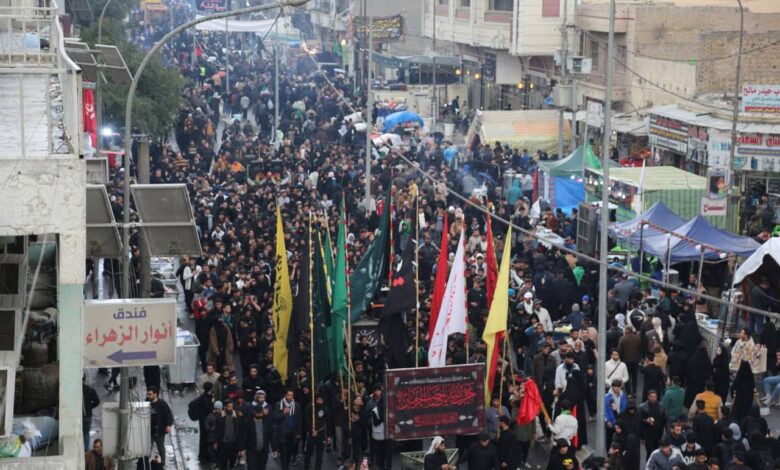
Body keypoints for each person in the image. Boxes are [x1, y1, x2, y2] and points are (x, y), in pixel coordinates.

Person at [273, 389, 302, 470]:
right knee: (283, 452)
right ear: (285, 395)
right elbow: (275, 418)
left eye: (292, 395)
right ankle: (285, 467)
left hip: (292, 432)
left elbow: (299, 420)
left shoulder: (297, 405)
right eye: (289, 395)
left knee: (289, 452)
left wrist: (299, 432)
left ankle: (286, 465)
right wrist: (283, 413)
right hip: (282, 432)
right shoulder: (278, 404)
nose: (290, 397)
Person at [146, 386, 173, 464]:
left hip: (159, 431)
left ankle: (162, 463)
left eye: (150, 394)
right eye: (147, 394)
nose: (148, 396)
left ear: (155, 394)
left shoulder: (162, 404)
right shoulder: (146, 403)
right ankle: (146, 464)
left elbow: (169, 415)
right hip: (149, 431)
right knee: (147, 449)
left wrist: (169, 425)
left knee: (160, 448)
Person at [241, 402, 272, 470]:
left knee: (261, 467)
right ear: (254, 412)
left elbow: (271, 434)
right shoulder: (248, 422)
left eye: (261, 413)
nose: (260, 414)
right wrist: (242, 449)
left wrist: (275, 449)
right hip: (251, 450)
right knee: (252, 467)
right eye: (258, 413)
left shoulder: (266, 422)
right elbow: (244, 436)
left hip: (263, 451)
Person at [639, 390, 667, 461]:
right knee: (650, 452)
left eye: (655, 397)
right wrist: (646, 421)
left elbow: (665, 420)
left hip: (658, 434)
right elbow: (638, 421)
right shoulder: (642, 407)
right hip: (647, 434)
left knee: (657, 452)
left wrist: (666, 434)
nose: (653, 398)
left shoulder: (661, 407)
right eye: (651, 396)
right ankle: (649, 466)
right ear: (648, 397)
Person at [216, 399, 242, 470]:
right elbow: (217, 430)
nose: (231, 408)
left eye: (231, 406)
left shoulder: (236, 415)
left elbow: (240, 429)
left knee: (233, 462)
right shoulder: (220, 416)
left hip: (234, 444)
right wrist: (216, 442)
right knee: (223, 463)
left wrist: (241, 446)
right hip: (224, 444)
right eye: (229, 407)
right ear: (225, 407)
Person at [196, 382, 215, 463]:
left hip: (203, 420)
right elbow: (209, 409)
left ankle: (204, 455)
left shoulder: (203, 397)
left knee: (204, 438)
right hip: (205, 421)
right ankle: (204, 456)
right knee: (205, 438)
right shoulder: (206, 398)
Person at [83, 374, 100, 452]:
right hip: (87, 416)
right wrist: (90, 407)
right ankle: (86, 451)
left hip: (78, 416)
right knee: (86, 434)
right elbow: (97, 401)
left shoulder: (74, 390)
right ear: (84, 379)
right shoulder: (90, 390)